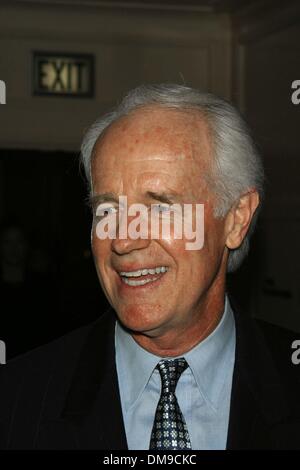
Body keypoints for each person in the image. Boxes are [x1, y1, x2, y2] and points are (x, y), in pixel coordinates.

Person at [0, 84, 299, 450]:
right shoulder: (19, 396)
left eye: (160, 208)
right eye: (107, 210)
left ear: (236, 219)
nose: (123, 241)